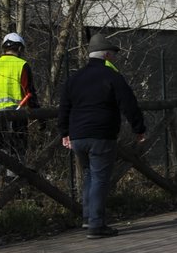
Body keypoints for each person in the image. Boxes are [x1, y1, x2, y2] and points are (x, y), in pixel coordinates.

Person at [58, 33, 145, 239]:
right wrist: (138, 127)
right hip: (101, 134)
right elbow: (128, 103)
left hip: (78, 136)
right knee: (99, 178)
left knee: (89, 174)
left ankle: (88, 218)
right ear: (106, 55)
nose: (114, 58)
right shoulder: (111, 76)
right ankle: (97, 224)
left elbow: (64, 107)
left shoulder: (74, 78)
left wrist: (64, 132)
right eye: (113, 54)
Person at [0, 31, 37, 188]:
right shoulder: (21, 65)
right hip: (16, 115)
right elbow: (29, 93)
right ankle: (13, 188)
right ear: (19, 49)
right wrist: (39, 115)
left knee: (0, 148)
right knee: (18, 150)